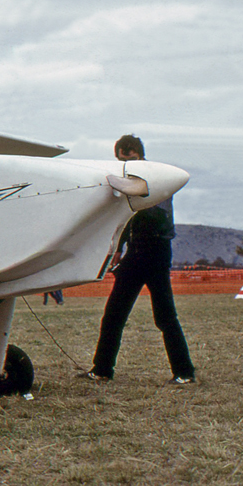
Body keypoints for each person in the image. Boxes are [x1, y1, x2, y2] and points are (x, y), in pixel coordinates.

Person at [84, 135, 196, 384]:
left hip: (154, 252)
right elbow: (127, 219)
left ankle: (184, 372)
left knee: (164, 316)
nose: (125, 164)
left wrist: (128, 196)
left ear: (137, 154)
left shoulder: (156, 180)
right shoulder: (135, 182)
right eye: (121, 160)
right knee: (114, 315)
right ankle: (102, 369)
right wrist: (118, 248)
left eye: (128, 158)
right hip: (137, 254)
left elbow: (155, 216)